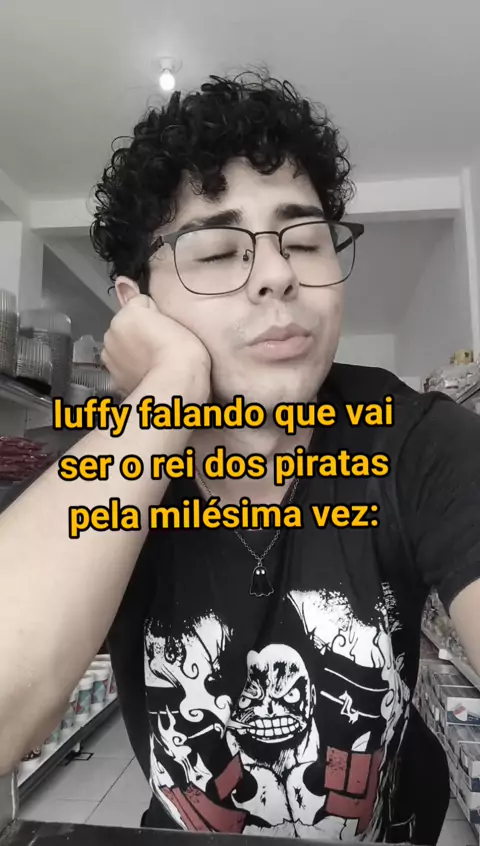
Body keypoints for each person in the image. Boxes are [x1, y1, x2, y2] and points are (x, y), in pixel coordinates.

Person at [0, 72, 479, 843]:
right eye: (220, 251)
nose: (278, 274)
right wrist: (172, 386)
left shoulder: (415, 441)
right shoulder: (115, 463)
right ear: (137, 308)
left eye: (306, 240)